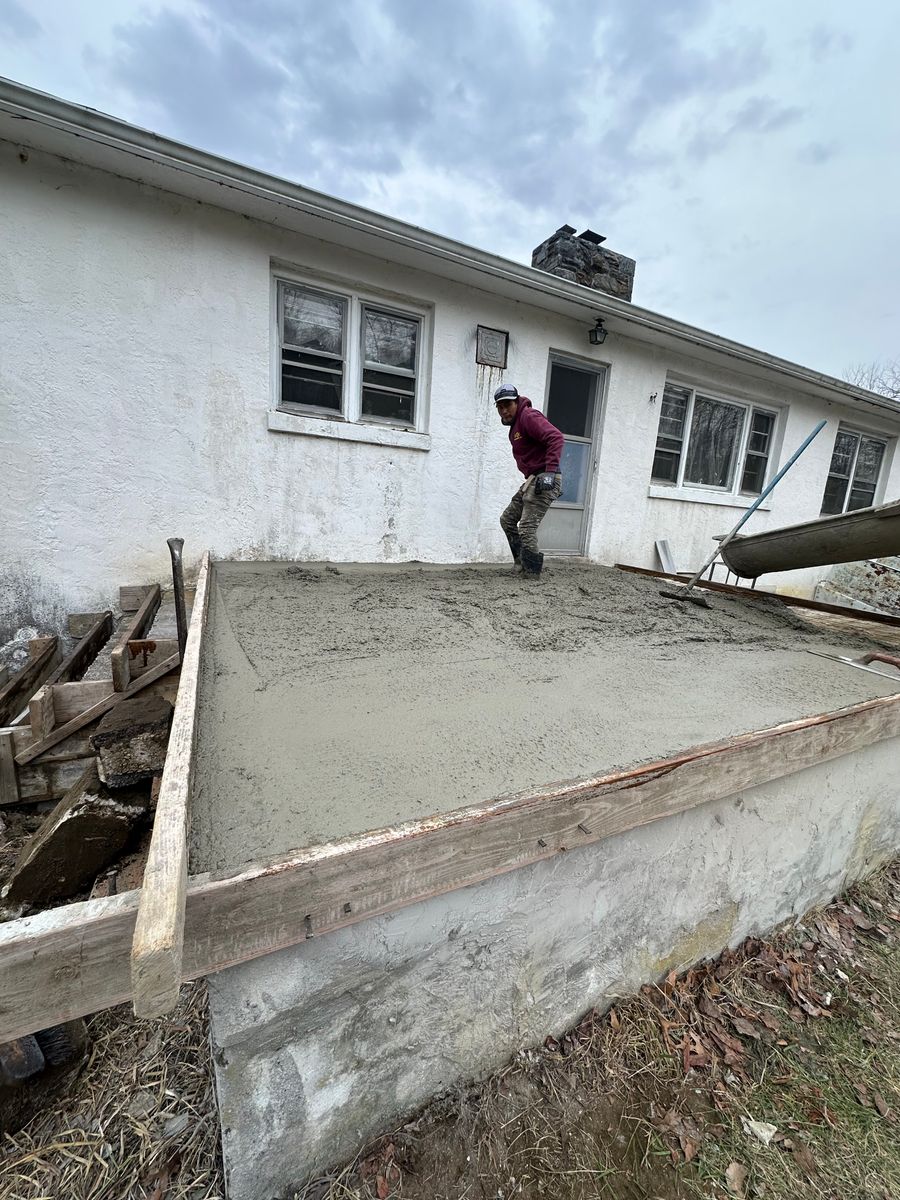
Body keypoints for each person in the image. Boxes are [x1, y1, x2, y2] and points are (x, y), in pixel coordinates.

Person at [494, 384, 564, 577]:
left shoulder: (528, 416)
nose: (504, 410)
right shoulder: (516, 426)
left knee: (526, 527)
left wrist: (549, 473)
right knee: (507, 519)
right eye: (500, 407)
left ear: (517, 402)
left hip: (545, 477)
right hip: (533, 479)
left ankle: (532, 572)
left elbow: (556, 437)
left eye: (507, 405)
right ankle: (520, 564)